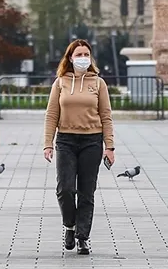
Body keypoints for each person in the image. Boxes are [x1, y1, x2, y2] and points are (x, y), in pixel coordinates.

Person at [43, 39, 115, 255]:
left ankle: (82, 237)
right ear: (70, 58)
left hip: (91, 141)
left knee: (86, 191)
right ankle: (69, 226)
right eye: (79, 54)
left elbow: (106, 116)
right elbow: (51, 114)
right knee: (65, 189)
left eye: (86, 54)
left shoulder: (99, 83)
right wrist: (48, 144)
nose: (83, 58)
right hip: (65, 140)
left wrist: (109, 146)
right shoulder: (60, 82)